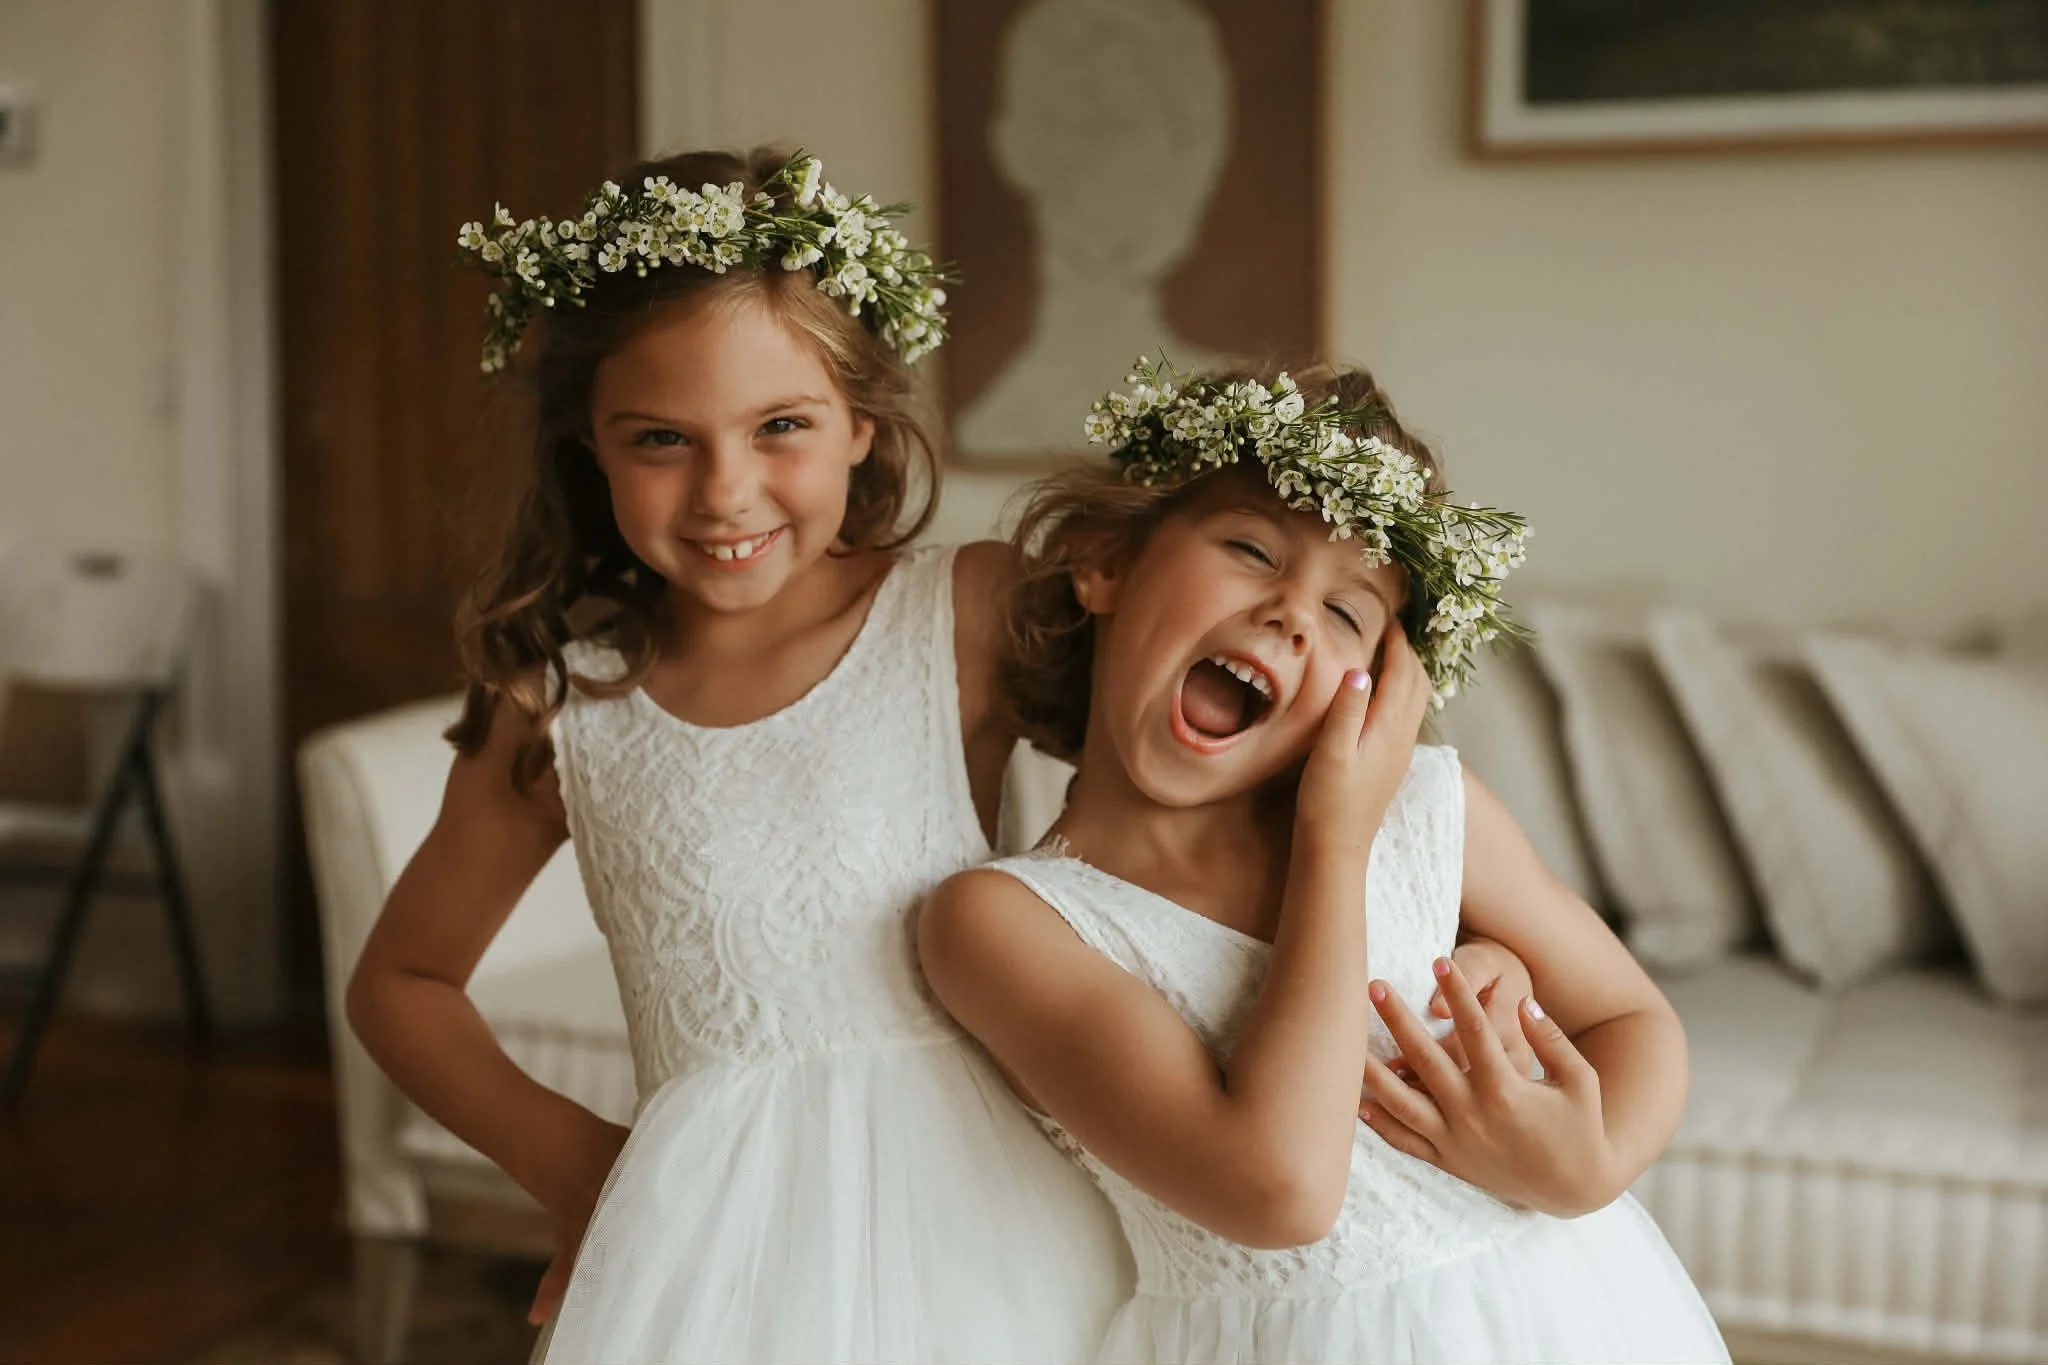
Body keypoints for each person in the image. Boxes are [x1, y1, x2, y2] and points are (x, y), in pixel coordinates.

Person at [343, 146, 1133, 1364]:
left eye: (780, 427)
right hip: (702, 1264)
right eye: (661, 439)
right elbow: (400, 985)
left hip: (980, 1232)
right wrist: (578, 1171)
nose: (725, 491)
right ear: (588, 448)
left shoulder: (963, 615)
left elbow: (1192, 790)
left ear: (862, 424)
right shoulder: (562, 704)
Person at [920, 358, 1731, 1363]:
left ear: (1383, 680)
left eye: (1346, 613)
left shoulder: (1430, 812)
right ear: (1104, 563)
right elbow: (1280, 1189)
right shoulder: (1000, 922)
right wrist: (1332, 841)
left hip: (1558, 1315)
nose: (1291, 614)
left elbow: (1631, 1017)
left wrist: (1585, 1166)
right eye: (1250, 550)